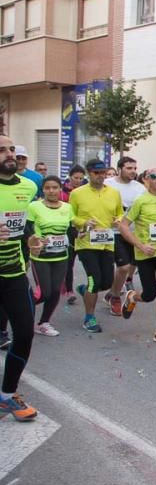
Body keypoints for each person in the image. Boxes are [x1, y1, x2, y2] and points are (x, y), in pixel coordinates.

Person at [0, 135, 42, 421]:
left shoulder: (28, 186)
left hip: (14, 272)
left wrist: (31, 238)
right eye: (2, 149)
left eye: (12, 149)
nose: (9, 154)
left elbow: (24, 224)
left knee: (25, 333)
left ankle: (6, 395)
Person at [119, 167, 156, 345]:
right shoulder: (140, 200)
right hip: (145, 253)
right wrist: (141, 245)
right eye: (154, 176)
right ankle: (132, 297)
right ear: (146, 179)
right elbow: (123, 225)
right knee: (150, 294)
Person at [69, 158, 124, 333]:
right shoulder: (77, 193)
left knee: (106, 282)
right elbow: (70, 217)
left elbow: (120, 213)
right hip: (86, 242)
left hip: (106, 242)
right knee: (94, 281)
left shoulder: (114, 193)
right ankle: (89, 317)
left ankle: (84, 290)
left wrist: (118, 220)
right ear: (88, 173)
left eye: (103, 172)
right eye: (96, 173)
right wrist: (84, 222)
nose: (100, 176)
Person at [27, 176, 75, 337]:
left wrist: (81, 233)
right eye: (47, 188)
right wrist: (35, 239)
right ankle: (19, 312)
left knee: (55, 291)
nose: (51, 191)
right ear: (43, 189)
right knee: (44, 292)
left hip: (61, 256)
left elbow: (70, 229)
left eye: (55, 187)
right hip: (41, 256)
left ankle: (43, 323)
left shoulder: (67, 208)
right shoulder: (34, 207)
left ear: (60, 189)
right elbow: (27, 228)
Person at [106, 156, 147, 315]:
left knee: (129, 267)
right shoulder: (108, 184)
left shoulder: (139, 188)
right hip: (113, 232)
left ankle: (112, 291)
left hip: (132, 232)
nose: (133, 171)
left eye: (135, 168)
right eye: (129, 168)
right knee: (123, 267)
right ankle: (115, 297)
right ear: (120, 169)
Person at [60, 164, 86, 304]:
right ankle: (69, 290)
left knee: (87, 260)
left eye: (81, 178)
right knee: (69, 261)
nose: (78, 180)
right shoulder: (62, 192)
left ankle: (89, 287)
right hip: (68, 229)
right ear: (70, 177)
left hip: (82, 228)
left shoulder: (86, 192)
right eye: (76, 178)